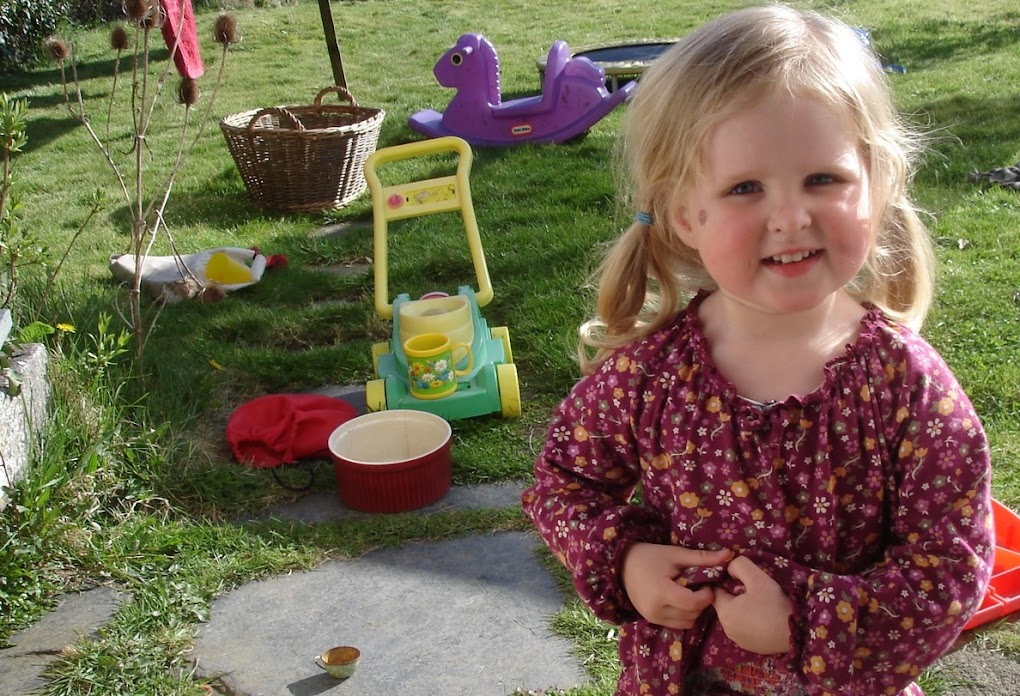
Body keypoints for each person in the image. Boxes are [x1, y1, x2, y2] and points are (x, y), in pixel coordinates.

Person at [521, 4, 995, 695]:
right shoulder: (648, 376)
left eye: (823, 179)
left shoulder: (907, 387)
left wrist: (806, 619)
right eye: (746, 187)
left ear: (877, 185)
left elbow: (948, 573)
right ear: (687, 213)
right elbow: (563, 484)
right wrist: (625, 560)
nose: (790, 216)